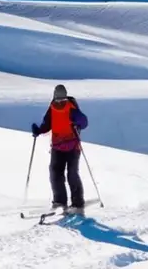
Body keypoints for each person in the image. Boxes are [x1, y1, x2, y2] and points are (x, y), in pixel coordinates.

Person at [31, 84, 89, 214]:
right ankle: (60, 201)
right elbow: (47, 124)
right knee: (55, 173)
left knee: (72, 173)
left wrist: (78, 121)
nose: (60, 103)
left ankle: (78, 203)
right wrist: (38, 130)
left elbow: (84, 122)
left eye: (62, 100)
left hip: (73, 146)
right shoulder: (52, 108)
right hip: (57, 146)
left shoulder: (71, 108)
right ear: (54, 97)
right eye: (58, 100)